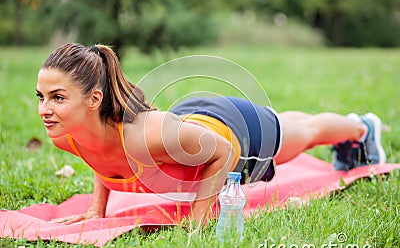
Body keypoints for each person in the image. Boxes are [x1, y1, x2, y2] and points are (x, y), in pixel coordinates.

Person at [36, 43, 386, 225]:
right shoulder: (66, 134)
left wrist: (201, 214)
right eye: (42, 97)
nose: (44, 109)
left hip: (233, 133)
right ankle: (354, 127)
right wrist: (97, 209)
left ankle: (362, 128)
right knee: (290, 123)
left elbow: (221, 151)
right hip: (194, 124)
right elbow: (100, 153)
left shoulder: (147, 137)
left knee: (303, 132)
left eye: (57, 97)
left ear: (94, 99)